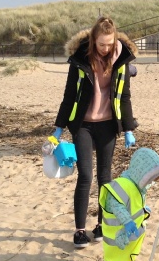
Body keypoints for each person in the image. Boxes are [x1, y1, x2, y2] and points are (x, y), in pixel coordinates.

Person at [52, 16, 139, 248]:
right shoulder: (80, 59)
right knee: (85, 176)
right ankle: (80, 230)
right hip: (83, 125)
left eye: (109, 44)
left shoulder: (121, 59)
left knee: (105, 177)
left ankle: (102, 224)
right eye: (101, 44)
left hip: (108, 125)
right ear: (93, 40)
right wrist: (59, 128)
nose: (105, 48)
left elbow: (124, 96)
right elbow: (69, 95)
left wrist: (128, 129)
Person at [99, 147, 159, 261]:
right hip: (121, 230)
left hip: (129, 229)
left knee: (127, 250)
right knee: (124, 250)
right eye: (150, 179)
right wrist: (127, 221)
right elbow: (117, 206)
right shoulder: (122, 186)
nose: (151, 182)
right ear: (141, 173)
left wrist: (143, 209)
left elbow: (133, 203)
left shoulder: (135, 185)